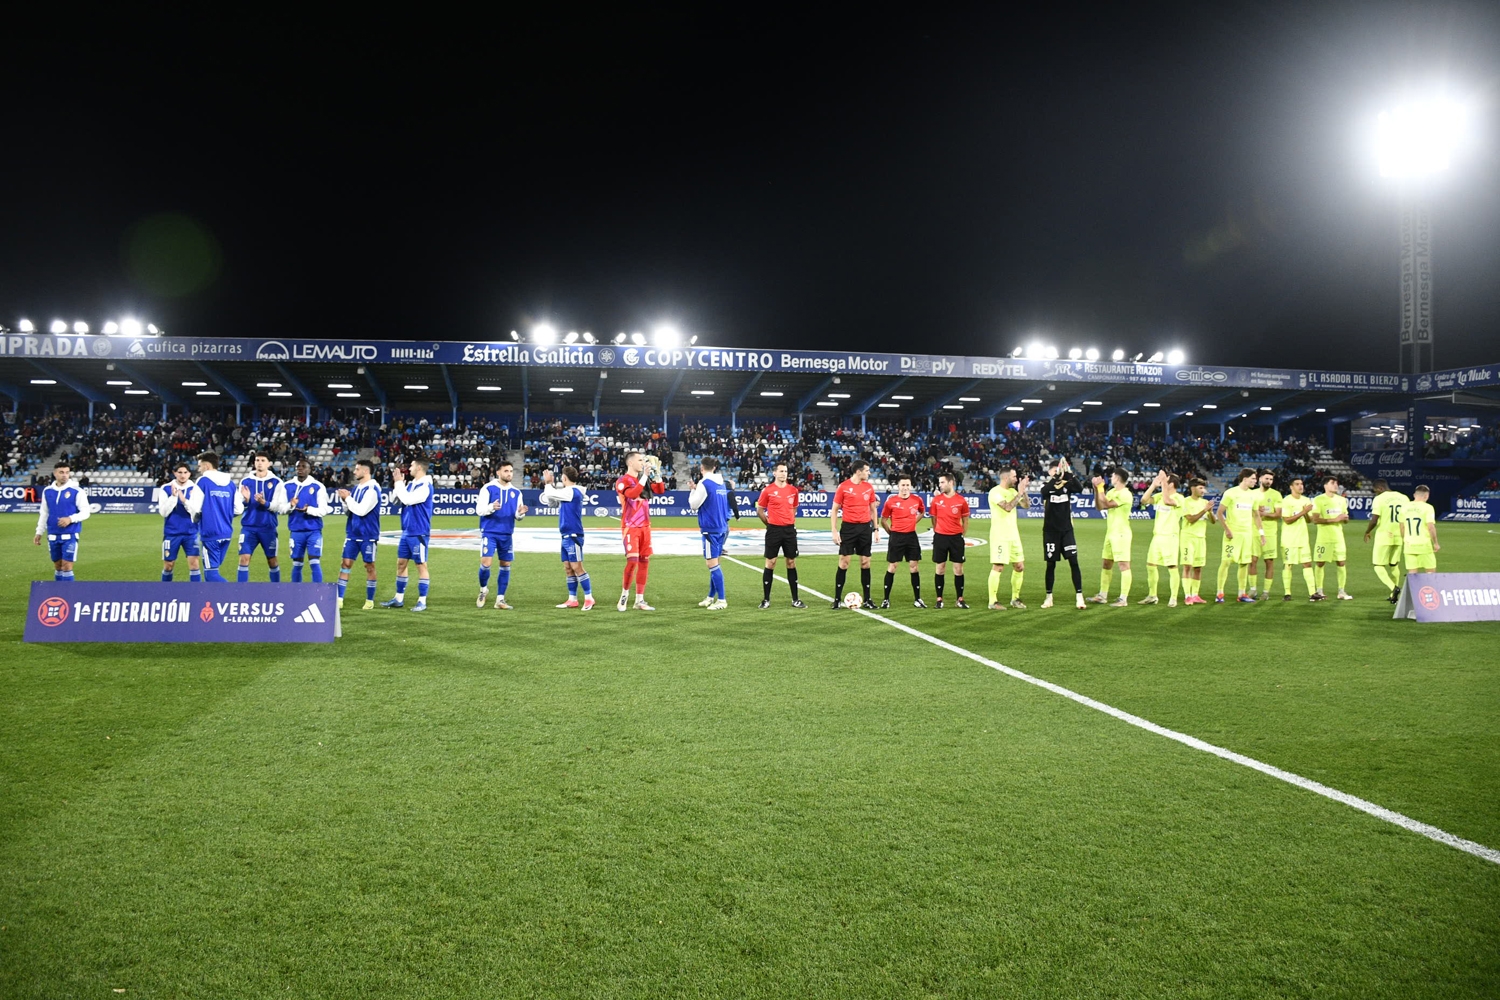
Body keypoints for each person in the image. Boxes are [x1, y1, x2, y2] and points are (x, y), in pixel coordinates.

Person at [537, 466, 594, 610]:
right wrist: (550, 488)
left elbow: (550, 493)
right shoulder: (568, 492)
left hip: (573, 533)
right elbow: (552, 502)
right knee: (568, 567)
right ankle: (572, 599)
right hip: (566, 534)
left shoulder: (571, 491)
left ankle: (589, 598)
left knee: (577, 567)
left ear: (564, 478)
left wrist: (548, 483)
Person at [383, 457, 435, 611]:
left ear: (419, 468)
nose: (409, 467)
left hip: (419, 531)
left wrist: (399, 483)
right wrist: (398, 484)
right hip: (407, 530)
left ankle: (422, 601)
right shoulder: (412, 484)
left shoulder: (426, 485)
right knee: (401, 563)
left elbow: (408, 500)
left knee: (420, 565)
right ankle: (398, 598)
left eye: (411, 465)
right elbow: (396, 501)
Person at [616, 451, 665, 611]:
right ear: (630, 463)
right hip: (630, 526)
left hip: (645, 526)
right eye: (640, 460)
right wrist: (644, 476)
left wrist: (658, 476)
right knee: (632, 561)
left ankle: (639, 600)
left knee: (644, 561)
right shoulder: (623, 481)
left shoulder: (643, 479)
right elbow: (632, 494)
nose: (643, 462)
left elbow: (660, 490)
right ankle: (624, 595)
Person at [830, 459, 880, 609]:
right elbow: (834, 509)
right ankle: (837, 599)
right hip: (849, 528)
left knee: (865, 563)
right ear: (858, 471)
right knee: (844, 563)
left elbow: (873, 509)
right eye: (866, 470)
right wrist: (834, 530)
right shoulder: (843, 487)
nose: (868, 473)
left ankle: (868, 599)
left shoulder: (869, 487)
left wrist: (876, 529)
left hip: (865, 528)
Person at [476, 461, 527, 609]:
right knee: (486, 564)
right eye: (506, 471)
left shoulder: (517, 492)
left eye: (511, 471)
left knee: (505, 565)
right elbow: (479, 510)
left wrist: (520, 514)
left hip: (506, 534)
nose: (509, 474)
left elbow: (517, 516)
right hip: (489, 532)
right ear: (498, 472)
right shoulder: (488, 488)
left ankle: (500, 600)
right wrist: (491, 507)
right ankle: (483, 589)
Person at [272, 459, 331, 583]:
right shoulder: (287, 486)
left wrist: (308, 509)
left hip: (313, 530)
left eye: (304, 467)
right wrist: (291, 505)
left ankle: (317, 592)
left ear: (310, 470)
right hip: (296, 531)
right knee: (297, 564)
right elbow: (281, 509)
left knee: (314, 562)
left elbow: (324, 509)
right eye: (298, 466)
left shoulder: (318, 486)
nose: (300, 469)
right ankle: (297, 593)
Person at [185, 453, 242, 583]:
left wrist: (195, 518)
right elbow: (239, 509)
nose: (199, 469)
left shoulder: (203, 481)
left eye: (200, 466)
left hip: (210, 534)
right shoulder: (231, 484)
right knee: (213, 570)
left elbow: (196, 508)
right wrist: (223, 514)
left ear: (206, 465)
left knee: (210, 575)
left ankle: (236, 596)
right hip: (226, 533)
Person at [756, 462, 805, 608]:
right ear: (774, 473)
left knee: (791, 562)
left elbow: (794, 508)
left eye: (786, 471)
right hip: (774, 530)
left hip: (789, 530)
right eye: (781, 471)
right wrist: (770, 524)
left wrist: (788, 520)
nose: (784, 473)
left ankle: (795, 599)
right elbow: (760, 510)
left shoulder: (793, 490)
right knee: (770, 563)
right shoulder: (768, 490)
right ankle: (766, 600)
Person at [1039, 456, 1086, 609]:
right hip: (1050, 532)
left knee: (1074, 562)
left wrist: (1069, 473)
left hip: (1066, 530)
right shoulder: (1047, 485)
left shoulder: (1068, 485)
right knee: (1051, 564)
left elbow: (1079, 489)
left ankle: (1079, 597)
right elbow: (1044, 492)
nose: (1057, 473)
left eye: (1058, 470)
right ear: (1050, 472)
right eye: (1054, 471)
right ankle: (1049, 597)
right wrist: (1056, 478)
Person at [335, 459, 382, 610]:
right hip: (352, 534)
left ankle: (369, 600)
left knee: (369, 566)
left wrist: (347, 498)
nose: (354, 472)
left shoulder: (373, 489)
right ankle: (339, 599)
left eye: (357, 469)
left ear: (366, 471)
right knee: (345, 564)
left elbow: (361, 510)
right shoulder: (356, 489)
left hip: (368, 535)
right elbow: (349, 512)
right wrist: (344, 501)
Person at [32, 461, 90, 582]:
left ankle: (69, 594)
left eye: (67, 472)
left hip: (70, 534)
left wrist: (70, 519)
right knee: (58, 566)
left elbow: (86, 512)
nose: (64, 475)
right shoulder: (47, 491)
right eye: (61, 472)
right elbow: (44, 513)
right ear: (55, 473)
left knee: (67, 566)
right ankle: (59, 592)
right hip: (53, 534)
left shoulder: (77, 491)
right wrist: (39, 532)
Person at [1213, 468, 1263, 604]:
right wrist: (1227, 529)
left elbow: (1256, 515)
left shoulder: (1254, 495)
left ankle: (1242, 594)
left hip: (1247, 534)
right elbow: (1219, 512)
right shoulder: (1231, 493)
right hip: (1233, 534)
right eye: (1253, 478)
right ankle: (1219, 593)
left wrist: (1261, 533)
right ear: (1245, 478)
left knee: (1244, 563)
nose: (1255, 481)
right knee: (1226, 562)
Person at [689, 456, 733, 610]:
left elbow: (694, 505)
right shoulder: (721, 482)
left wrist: (692, 491)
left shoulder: (704, 483)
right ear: (714, 467)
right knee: (716, 563)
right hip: (722, 527)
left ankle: (721, 600)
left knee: (712, 564)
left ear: (702, 469)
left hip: (710, 528)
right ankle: (710, 596)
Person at [879, 475, 926, 608]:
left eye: (907, 485)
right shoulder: (891, 501)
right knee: (892, 567)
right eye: (903, 485)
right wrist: (892, 533)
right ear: (898, 486)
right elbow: (883, 520)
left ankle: (917, 599)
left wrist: (913, 522)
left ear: (910, 486)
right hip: (896, 537)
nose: (905, 488)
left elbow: (922, 512)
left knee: (914, 567)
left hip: (911, 536)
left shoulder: (917, 500)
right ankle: (886, 599)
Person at [1089, 468, 1134, 607]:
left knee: (1123, 565)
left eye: (1113, 475)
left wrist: (1101, 487)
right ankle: (1102, 595)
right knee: (1106, 563)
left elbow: (1108, 504)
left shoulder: (1125, 494)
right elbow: (1100, 507)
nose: (1111, 477)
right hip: (1111, 533)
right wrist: (1096, 490)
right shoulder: (1112, 492)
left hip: (1121, 533)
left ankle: (1123, 599)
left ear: (1118, 478)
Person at [985, 468, 1029, 609]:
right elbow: (1008, 507)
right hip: (1000, 535)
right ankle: (993, 601)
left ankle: (1015, 598)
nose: (1016, 479)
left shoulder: (1013, 491)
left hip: (1013, 535)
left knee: (1019, 566)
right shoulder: (995, 492)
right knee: (998, 567)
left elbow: (1026, 505)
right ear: (1006, 478)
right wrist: (1020, 493)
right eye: (1014, 476)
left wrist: (1023, 491)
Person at [236, 452, 283, 583]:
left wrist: (264, 503)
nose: (259, 463)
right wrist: (245, 500)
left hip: (268, 528)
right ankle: (241, 592)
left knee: (272, 560)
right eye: (257, 460)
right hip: (248, 528)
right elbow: (239, 504)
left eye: (263, 460)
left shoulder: (276, 482)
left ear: (269, 463)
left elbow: (277, 506)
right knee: (244, 558)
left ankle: (276, 589)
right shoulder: (245, 481)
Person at [1363, 478, 1410, 603]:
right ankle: (1393, 596)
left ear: (1380, 488)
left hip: (1384, 535)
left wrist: (1367, 531)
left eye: (1376, 491)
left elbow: (1374, 519)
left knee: (1378, 565)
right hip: (1400, 535)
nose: (1376, 493)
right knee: (1394, 564)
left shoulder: (1379, 499)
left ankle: (1393, 588)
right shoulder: (1404, 498)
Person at [1139, 471, 1182, 606]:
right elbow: (1144, 500)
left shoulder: (1179, 498)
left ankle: (1173, 598)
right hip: (1157, 536)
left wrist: (1163, 482)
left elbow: (1168, 501)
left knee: (1172, 566)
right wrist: (1153, 485)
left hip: (1170, 537)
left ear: (1172, 484)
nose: (1163, 482)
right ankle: (1152, 596)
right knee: (1151, 565)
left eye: (1166, 481)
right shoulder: (1159, 496)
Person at [930, 472, 971, 609]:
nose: (940, 485)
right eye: (939, 483)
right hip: (940, 537)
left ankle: (960, 599)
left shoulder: (961, 500)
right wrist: (939, 531)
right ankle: (939, 599)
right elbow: (933, 519)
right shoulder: (936, 500)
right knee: (940, 568)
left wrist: (961, 535)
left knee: (958, 569)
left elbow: (965, 520)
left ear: (950, 483)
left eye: (942, 482)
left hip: (956, 538)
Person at [156, 462, 202, 582]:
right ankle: (165, 593)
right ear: (174, 473)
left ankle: (197, 593)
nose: (182, 475)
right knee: (168, 565)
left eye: (185, 472)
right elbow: (163, 512)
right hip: (172, 533)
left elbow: (196, 511)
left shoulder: (196, 489)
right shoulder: (166, 488)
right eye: (180, 472)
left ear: (189, 474)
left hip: (191, 533)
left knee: (194, 564)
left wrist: (184, 500)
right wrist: (173, 497)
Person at [1310, 476, 1353, 600]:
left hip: (1338, 538)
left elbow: (1345, 519)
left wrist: (1345, 519)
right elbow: (1315, 519)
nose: (1336, 485)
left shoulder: (1342, 500)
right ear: (1325, 486)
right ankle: (1319, 591)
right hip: (1324, 538)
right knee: (1320, 563)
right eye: (1332, 483)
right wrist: (1335, 519)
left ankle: (1341, 591)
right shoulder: (1318, 500)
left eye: (1337, 483)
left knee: (1341, 563)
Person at [1277, 477, 1320, 601]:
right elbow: (1287, 520)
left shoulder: (1306, 500)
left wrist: (1306, 513)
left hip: (1303, 539)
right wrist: (1303, 511)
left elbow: (1309, 520)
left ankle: (1313, 592)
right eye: (1297, 484)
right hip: (1289, 539)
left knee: (1307, 564)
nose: (1300, 486)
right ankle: (1287, 593)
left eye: (1301, 484)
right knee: (1288, 565)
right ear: (1291, 487)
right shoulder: (1286, 501)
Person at [1178, 478, 1214, 604]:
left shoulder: (1205, 502)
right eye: (1200, 488)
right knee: (1187, 566)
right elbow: (1191, 519)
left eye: (1204, 488)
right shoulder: (1185, 502)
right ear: (1192, 488)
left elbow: (1213, 521)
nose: (1203, 490)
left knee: (1198, 568)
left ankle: (1195, 595)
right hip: (1188, 538)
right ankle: (1187, 595)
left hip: (1201, 538)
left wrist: (1210, 511)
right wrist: (1205, 510)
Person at [1251, 469, 1282, 600]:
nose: (1269, 481)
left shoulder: (1276, 495)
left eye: (1271, 479)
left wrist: (1262, 514)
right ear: (1260, 479)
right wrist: (1255, 512)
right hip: (1253, 532)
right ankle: (1252, 589)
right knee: (1252, 561)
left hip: (1270, 533)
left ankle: (1266, 592)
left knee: (1269, 562)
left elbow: (1278, 514)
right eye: (1267, 479)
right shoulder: (1251, 494)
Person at [1399, 485, 1440, 576]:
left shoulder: (1404, 507)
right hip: (1424, 545)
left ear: (1414, 495)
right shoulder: (1428, 507)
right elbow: (1430, 527)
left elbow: (1402, 526)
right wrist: (1435, 543)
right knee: (1430, 573)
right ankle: (1429, 590)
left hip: (1409, 545)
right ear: (1426, 496)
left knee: (1412, 574)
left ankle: (1413, 590)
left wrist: (1404, 539)